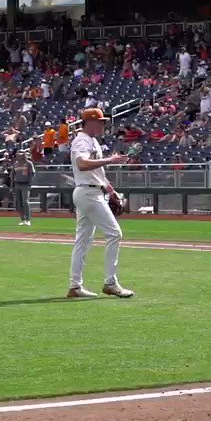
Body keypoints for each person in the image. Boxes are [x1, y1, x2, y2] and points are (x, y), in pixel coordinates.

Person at [68, 108, 134, 299]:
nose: (103, 124)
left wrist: (111, 191)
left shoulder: (93, 141)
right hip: (88, 193)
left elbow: (98, 174)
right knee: (114, 234)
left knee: (83, 240)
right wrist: (110, 160)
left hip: (92, 190)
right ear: (90, 122)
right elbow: (82, 164)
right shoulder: (81, 140)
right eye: (100, 121)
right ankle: (110, 282)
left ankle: (75, 286)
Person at [12, 151, 35, 226]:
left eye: (19, 155)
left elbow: (31, 174)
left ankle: (28, 219)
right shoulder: (15, 164)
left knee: (25, 201)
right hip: (17, 184)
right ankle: (22, 219)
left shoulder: (28, 163)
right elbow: (12, 175)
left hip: (25, 185)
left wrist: (30, 184)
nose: (18, 156)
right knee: (19, 203)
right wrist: (12, 186)